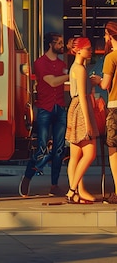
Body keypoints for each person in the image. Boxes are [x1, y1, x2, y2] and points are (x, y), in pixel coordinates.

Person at [19, 33, 68, 197]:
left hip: (60, 107)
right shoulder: (40, 63)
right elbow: (52, 81)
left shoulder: (62, 63)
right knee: (42, 149)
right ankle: (28, 176)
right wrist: (71, 75)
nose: (62, 45)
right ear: (50, 45)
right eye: (59, 43)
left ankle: (54, 185)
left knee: (59, 150)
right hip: (45, 109)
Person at [65, 37, 98, 204]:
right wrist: (88, 122)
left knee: (75, 155)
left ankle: (76, 191)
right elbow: (84, 98)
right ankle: (72, 190)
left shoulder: (75, 67)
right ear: (78, 50)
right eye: (88, 48)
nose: (90, 51)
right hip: (81, 107)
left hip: (73, 107)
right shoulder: (81, 69)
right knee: (90, 153)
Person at [98, 21, 117, 204]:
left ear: (110, 36)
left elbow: (105, 84)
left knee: (114, 150)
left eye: (105, 35)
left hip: (115, 105)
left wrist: (96, 80)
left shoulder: (111, 57)